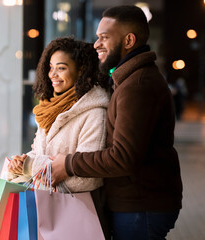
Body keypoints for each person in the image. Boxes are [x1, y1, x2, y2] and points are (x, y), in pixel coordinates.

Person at [50, 5, 183, 240]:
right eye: (97, 37)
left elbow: (122, 158)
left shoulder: (137, 85)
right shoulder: (130, 80)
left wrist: (68, 164)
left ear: (129, 40)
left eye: (104, 38)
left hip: (140, 207)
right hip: (140, 204)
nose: (96, 44)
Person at [7, 37, 110, 194]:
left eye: (61, 68)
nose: (52, 74)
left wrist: (31, 166)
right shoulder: (50, 108)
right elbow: (40, 153)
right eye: (50, 67)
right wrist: (21, 164)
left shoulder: (94, 112)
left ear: (80, 70)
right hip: (45, 204)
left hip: (75, 211)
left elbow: (88, 178)